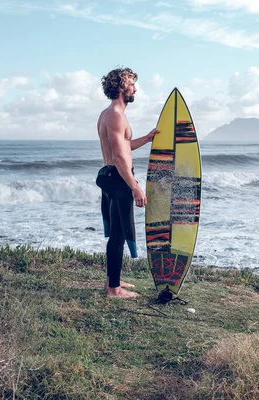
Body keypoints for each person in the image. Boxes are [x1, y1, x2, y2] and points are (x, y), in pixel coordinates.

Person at [96, 67, 159, 299]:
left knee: (116, 232)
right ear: (121, 86)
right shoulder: (115, 115)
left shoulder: (108, 113)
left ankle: (113, 280)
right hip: (119, 177)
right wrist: (135, 186)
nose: (135, 88)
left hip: (111, 175)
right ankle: (114, 289)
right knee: (119, 234)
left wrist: (148, 138)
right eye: (131, 83)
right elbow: (120, 156)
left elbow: (125, 146)